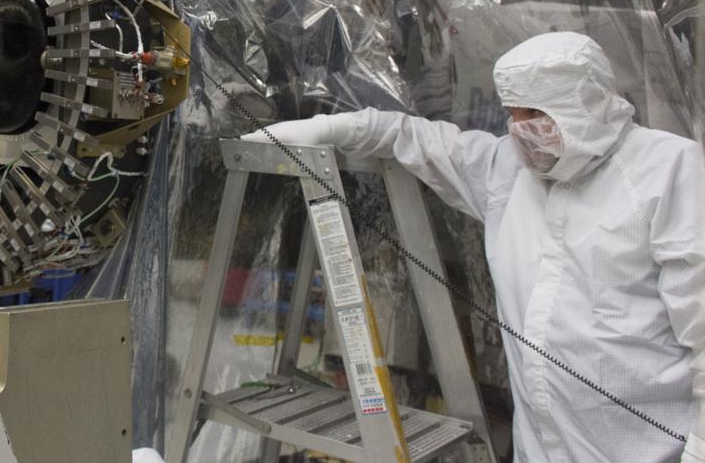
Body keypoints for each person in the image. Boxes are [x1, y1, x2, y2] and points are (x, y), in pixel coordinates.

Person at [243, 31, 703, 462]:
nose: (519, 128)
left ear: (585, 103)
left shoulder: (668, 173)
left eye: (536, 114)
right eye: (513, 112)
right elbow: (415, 139)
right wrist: (329, 128)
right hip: (540, 450)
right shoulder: (510, 171)